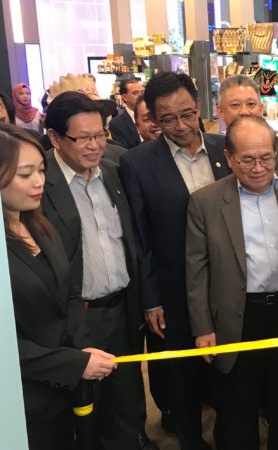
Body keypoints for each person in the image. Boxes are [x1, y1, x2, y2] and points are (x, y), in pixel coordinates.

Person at [119, 72, 230, 450]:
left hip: (228, 284)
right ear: (152, 118)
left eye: (187, 114)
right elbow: (140, 236)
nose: (180, 126)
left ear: (199, 108)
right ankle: (190, 440)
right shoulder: (138, 163)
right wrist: (152, 298)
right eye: (168, 119)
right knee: (181, 376)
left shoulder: (224, 150)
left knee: (228, 369)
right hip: (174, 286)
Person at [40, 91, 154, 450]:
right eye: (83, 138)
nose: (94, 146)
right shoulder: (37, 183)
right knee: (83, 411)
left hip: (121, 311)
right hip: (74, 319)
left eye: (100, 134)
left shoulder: (116, 169)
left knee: (126, 404)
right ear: (55, 138)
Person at [186, 116, 278, 450]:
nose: (257, 168)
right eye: (247, 160)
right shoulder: (206, 201)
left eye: (266, 158)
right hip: (236, 318)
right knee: (237, 410)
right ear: (229, 157)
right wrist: (202, 327)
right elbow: (197, 270)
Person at [1, 123, 117, 450]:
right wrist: (73, 363)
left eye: (41, 170)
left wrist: (80, 346)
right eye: (25, 175)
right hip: (23, 400)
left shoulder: (38, 225)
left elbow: (69, 292)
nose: (39, 182)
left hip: (63, 392)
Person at [109, 77, 145, 148]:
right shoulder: (117, 124)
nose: (141, 96)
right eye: (136, 93)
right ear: (124, 97)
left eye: (142, 92)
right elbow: (123, 151)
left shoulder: (154, 115)